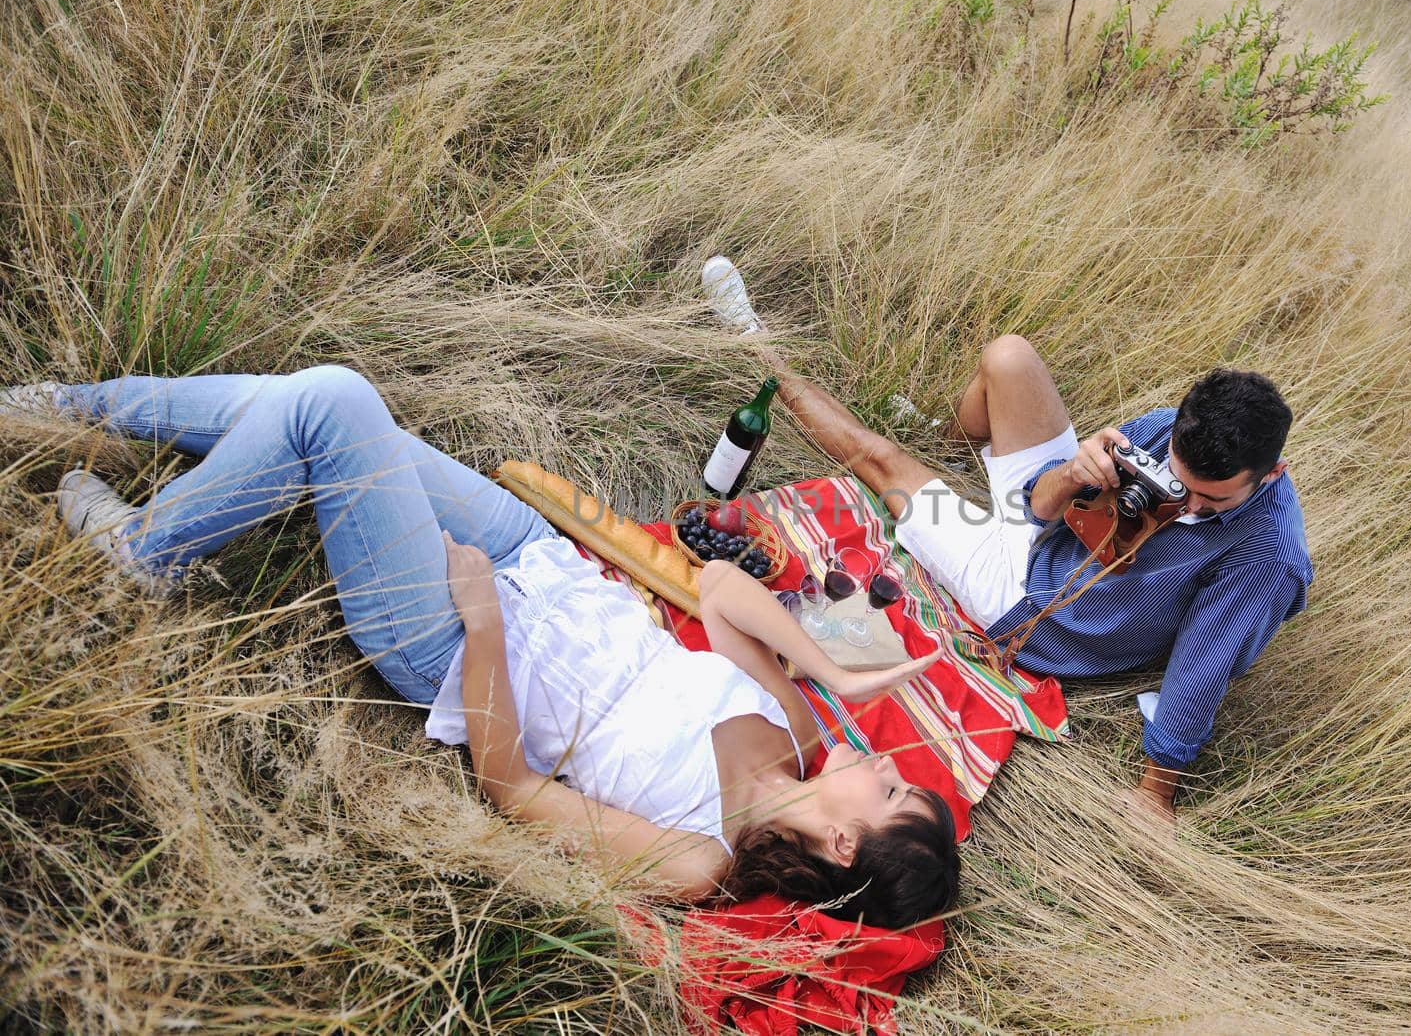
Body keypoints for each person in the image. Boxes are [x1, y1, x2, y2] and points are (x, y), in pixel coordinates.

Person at [1, 368, 958, 927]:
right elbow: (714, 589)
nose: (880, 761)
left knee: (332, 405)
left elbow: (517, 789)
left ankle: (146, 552)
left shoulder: (697, 859)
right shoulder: (794, 729)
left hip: (456, 637)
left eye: (888, 789)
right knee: (302, 399)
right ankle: (69, 405)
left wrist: (486, 625)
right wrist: (826, 669)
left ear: (844, 842)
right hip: (536, 559)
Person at [723, 316, 1311, 826]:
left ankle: (759, 349)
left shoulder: (1264, 559)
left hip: (1027, 603)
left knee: (883, 461)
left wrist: (1157, 795)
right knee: (1008, 358)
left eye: (1211, 504)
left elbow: (1198, 672)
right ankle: (952, 447)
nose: (1187, 507)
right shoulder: (1170, 430)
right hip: (1051, 526)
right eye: (1178, 487)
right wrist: (1077, 471)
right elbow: (1037, 502)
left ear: (1273, 474)